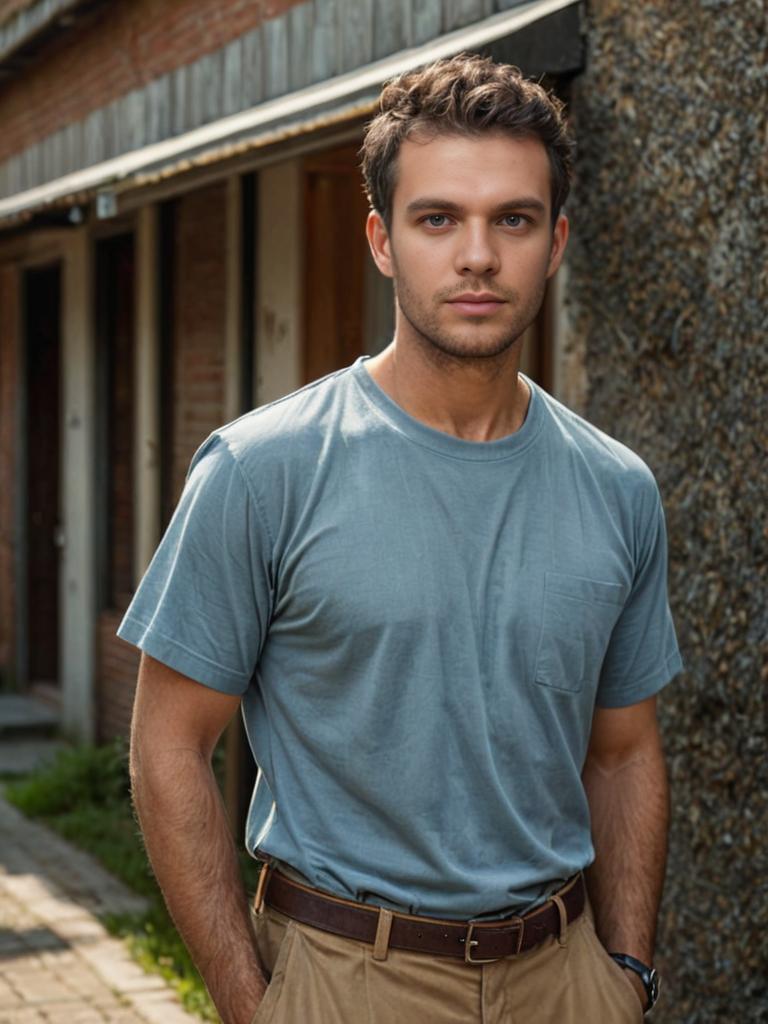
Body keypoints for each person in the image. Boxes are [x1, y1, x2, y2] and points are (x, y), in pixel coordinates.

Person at [120, 53, 683, 1024]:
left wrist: (626, 975)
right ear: (382, 240)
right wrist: (252, 1005)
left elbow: (625, 752)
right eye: (438, 219)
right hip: (348, 978)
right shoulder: (261, 471)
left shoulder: (616, 488)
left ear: (554, 243)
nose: (478, 255)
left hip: (565, 980)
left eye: (512, 218)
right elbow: (168, 746)